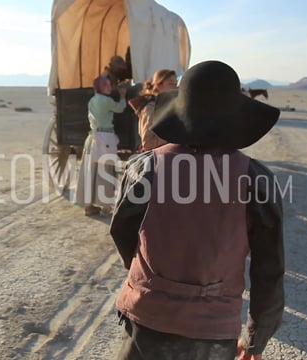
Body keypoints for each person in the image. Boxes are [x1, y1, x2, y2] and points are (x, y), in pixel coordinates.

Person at [110, 60, 284, 359]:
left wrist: (148, 276)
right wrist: (256, 338)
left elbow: (122, 230)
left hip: (145, 318)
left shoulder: (146, 166)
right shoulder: (255, 179)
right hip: (212, 331)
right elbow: (269, 270)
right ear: (236, 117)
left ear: (181, 110)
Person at [75, 75, 127, 216]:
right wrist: (122, 96)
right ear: (99, 87)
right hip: (105, 139)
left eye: (110, 85)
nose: (109, 88)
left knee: (90, 171)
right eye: (106, 85)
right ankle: (106, 207)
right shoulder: (106, 101)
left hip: (92, 138)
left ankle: (89, 205)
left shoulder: (93, 100)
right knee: (105, 172)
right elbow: (120, 108)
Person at [128, 69, 178, 151]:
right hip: (156, 159)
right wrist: (174, 136)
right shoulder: (150, 108)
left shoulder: (170, 106)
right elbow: (148, 143)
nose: (175, 87)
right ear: (158, 85)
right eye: (170, 83)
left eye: (175, 83)